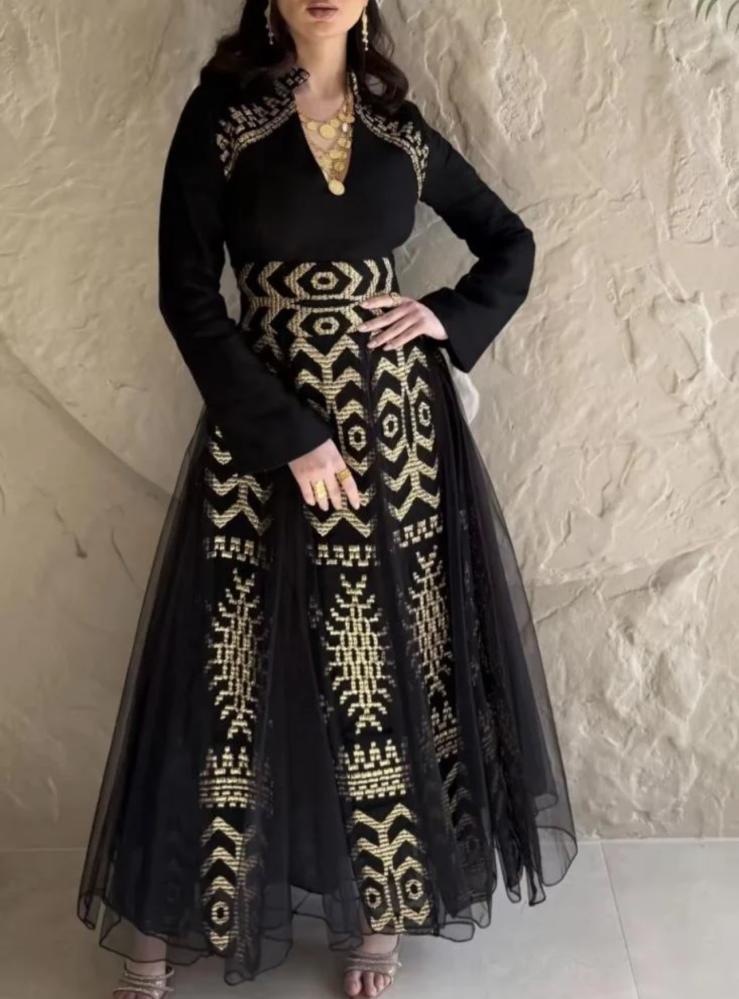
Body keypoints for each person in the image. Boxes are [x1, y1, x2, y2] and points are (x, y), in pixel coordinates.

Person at [76, 2, 578, 997]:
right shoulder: (224, 116)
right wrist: (290, 435)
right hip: (263, 435)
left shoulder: (397, 126)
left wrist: (443, 316)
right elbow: (187, 294)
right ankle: (162, 926)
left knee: (386, 657)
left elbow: (508, 243)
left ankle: (376, 914)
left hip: (399, 439)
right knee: (228, 662)